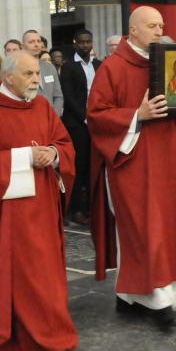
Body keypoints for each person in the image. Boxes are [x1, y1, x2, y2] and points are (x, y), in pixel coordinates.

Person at [87, 6, 176, 331]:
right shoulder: (112, 67)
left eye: (161, 25)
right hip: (132, 162)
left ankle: (129, 297)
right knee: (143, 229)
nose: (158, 30)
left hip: (166, 158)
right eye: (152, 25)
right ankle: (159, 302)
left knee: (167, 226)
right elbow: (96, 115)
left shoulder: (165, 62)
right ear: (133, 30)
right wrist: (137, 114)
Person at [0, 51, 77, 351]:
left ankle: (54, 336)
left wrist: (53, 153)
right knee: (22, 276)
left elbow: (64, 143)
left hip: (44, 205)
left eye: (37, 73)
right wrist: (25, 156)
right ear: (8, 77)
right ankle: (24, 337)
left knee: (47, 274)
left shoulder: (42, 107)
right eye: (28, 74)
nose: (36, 79)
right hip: (10, 214)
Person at [60, 28, 101, 225]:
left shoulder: (99, 65)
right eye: (82, 42)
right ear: (75, 43)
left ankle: (94, 208)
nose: (85, 45)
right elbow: (68, 96)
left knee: (95, 165)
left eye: (88, 42)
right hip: (77, 123)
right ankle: (77, 208)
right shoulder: (68, 67)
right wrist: (84, 117)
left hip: (99, 122)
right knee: (79, 165)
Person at [22, 30, 64, 115]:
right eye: (31, 42)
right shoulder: (17, 68)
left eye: (38, 41)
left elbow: (58, 96)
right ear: (23, 46)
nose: (37, 44)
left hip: (51, 119)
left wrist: (54, 116)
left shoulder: (49, 67)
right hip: (28, 119)